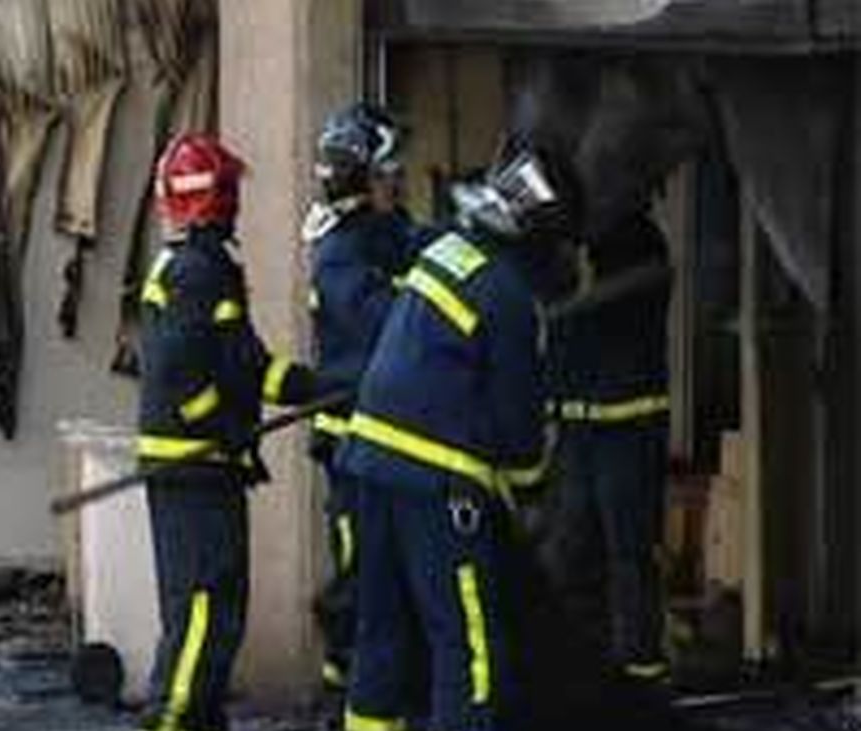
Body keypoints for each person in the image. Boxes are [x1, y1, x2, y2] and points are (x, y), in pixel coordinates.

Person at [339, 149, 575, 731]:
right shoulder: (510, 296)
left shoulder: (445, 250)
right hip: (438, 484)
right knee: (466, 645)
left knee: (381, 630)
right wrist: (531, 498)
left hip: (367, 462)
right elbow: (518, 422)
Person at [137, 133, 318, 731]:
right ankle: (174, 717)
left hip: (204, 466)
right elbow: (178, 372)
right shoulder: (196, 271)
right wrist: (222, 426)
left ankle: (201, 716)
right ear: (215, 197)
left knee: (219, 610)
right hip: (193, 467)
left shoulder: (205, 265)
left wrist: (314, 386)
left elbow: (244, 365)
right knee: (202, 609)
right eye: (231, 190)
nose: (238, 202)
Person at [303, 102, 418, 698]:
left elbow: (422, 247)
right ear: (358, 178)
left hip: (387, 433)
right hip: (351, 438)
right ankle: (346, 673)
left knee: (388, 560)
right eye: (388, 169)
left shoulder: (387, 232)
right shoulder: (340, 253)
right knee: (363, 562)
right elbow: (392, 327)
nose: (399, 178)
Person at [543, 210, 671, 683]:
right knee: (571, 556)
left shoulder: (637, 247)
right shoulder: (564, 260)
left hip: (626, 430)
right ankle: (585, 670)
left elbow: (634, 289)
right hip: (580, 433)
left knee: (627, 554)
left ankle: (640, 672)